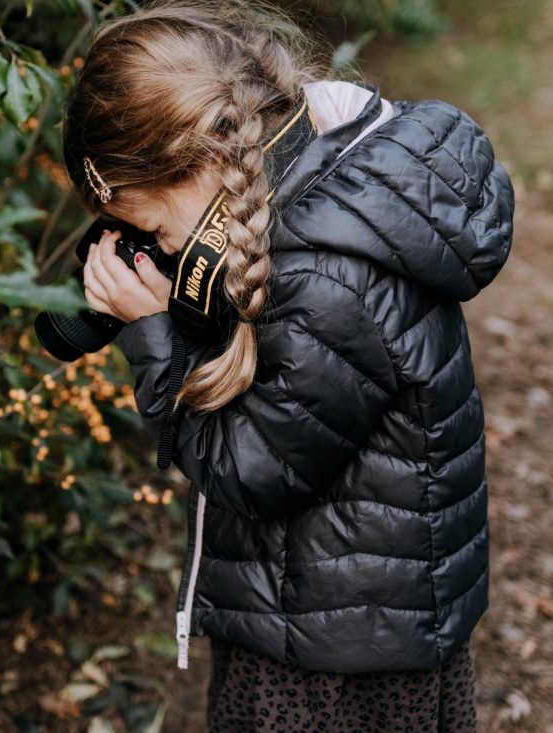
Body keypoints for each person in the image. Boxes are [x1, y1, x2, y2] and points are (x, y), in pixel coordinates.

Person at [61, 1, 515, 731]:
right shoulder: (319, 196)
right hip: (322, 606)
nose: (161, 253)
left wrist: (151, 333)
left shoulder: (328, 275)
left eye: (149, 230)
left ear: (205, 161)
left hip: (337, 661)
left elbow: (251, 470)